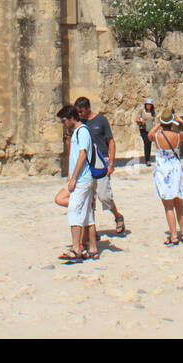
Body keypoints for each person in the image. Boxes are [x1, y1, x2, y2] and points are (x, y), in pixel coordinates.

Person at [76, 96, 125, 236]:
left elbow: (111, 142)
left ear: (88, 108)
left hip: (101, 161)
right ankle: (92, 230)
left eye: (81, 111)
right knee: (89, 198)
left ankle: (117, 215)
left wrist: (111, 163)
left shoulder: (101, 120)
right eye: (78, 112)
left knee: (104, 196)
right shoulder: (80, 124)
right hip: (87, 164)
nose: (80, 115)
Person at [57, 105, 98, 263]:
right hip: (83, 179)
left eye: (64, 121)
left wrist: (73, 178)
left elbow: (83, 154)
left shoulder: (82, 132)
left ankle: (76, 249)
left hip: (82, 179)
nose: (64, 124)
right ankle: (91, 249)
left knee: (74, 211)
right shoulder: (78, 132)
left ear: (70, 118)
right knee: (87, 214)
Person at [150, 108, 183, 244]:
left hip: (163, 172)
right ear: (172, 122)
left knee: (168, 206)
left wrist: (158, 123)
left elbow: (150, 134)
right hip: (176, 170)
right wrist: (180, 121)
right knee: (179, 203)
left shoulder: (157, 136)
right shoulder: (178, 136)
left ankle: (174, 235)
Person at [137, 99, 155, 166]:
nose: (148, 106)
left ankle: (148, 159)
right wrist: (141, 121)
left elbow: (155, 121)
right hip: (143, 130)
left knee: (149, 144)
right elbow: (137, 119)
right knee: (146, 142)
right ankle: (147, 159)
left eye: (150, 105)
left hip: (150, 130)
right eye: (147, 104)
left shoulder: (153, 112)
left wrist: (155, 129)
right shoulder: (141, 111)